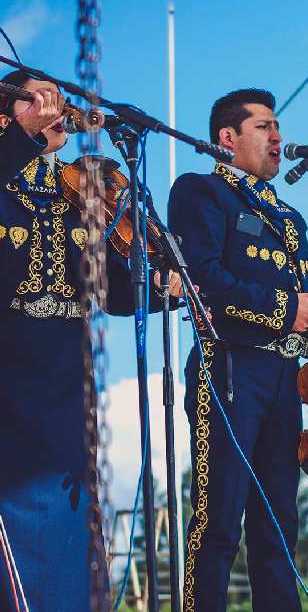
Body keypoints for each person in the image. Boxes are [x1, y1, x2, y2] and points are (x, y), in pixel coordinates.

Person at [0, 71, 182, 612]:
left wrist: (161, 285)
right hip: (8, 403)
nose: (57, 108)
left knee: (72, 576)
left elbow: (115, 294)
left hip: (65, 408)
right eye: (39, 99)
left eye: (57, 99)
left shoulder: (76, 194)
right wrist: (24, 138)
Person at [168, 88, 308, 612]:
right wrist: (289, 308)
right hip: (230, 366)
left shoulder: (291, 218)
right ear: (228, 138)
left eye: (277, 126)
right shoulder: (200, 192)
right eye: (264, 127)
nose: (278, 137)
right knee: (218, 517)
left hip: (286, 372)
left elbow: (305, 291)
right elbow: (202, 279)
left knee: (280, 521)